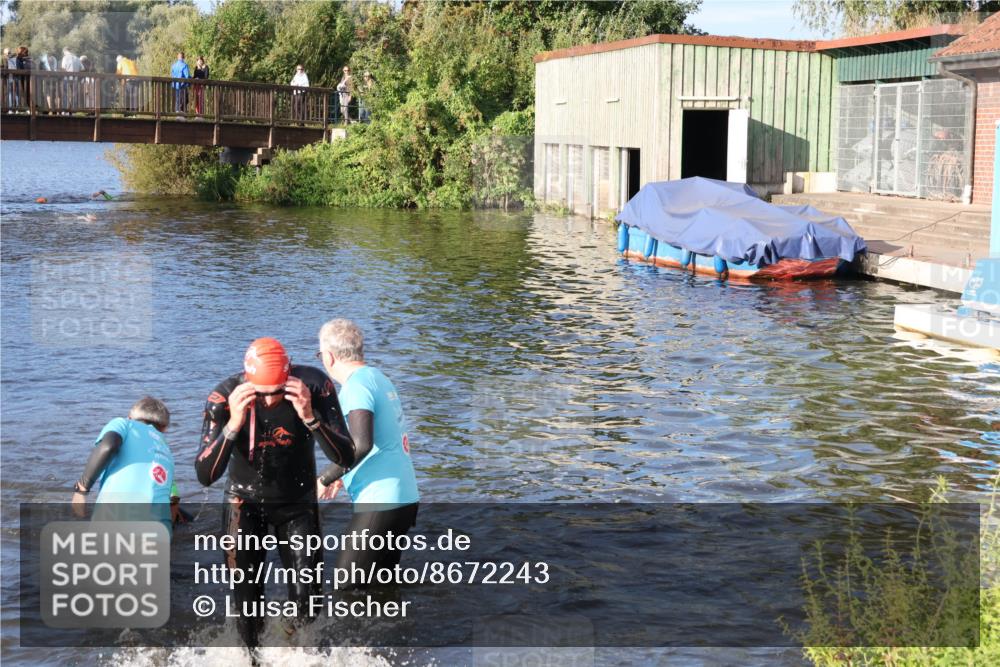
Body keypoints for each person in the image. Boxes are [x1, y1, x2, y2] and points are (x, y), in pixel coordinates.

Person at [195, 337, 355, 652]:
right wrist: (234, 424)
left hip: (297, 504)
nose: (269, 402)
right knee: (247, 599)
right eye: (261, 394)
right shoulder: (223, 398)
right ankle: (250, 658)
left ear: (289, 378)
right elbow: (205, 475)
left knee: (308, 597)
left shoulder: (315, 386)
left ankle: (304, 655)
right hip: (243, 503)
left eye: (277, 393)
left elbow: (346, 456)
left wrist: (310, 417)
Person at [315, 320, 419, 577]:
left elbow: (362, 444)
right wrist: (345, 475)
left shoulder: (355, 386)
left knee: (346, 586)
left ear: (329, 357)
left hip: (381, 502)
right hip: (404, 497)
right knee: (381, 587)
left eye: (320, 354)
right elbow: (378, 440)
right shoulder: (378, 377)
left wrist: (326, 477)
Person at [71, 397, 180, 533]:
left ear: (129, 417)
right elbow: (173, 499)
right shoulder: (167, 452)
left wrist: (82, 488)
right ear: (164, 428)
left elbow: (108, 446)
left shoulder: (124, 424)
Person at [60, 47, 81, 112]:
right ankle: (73, 109)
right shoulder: (77, 58)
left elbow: (63, 68)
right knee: (74, 93)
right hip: (75, 79)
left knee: (65, 93)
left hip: (66, 78)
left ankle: (65, 109)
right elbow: (82, 68)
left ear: (65, 51)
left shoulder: (65, 58)